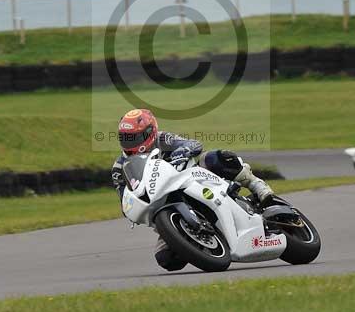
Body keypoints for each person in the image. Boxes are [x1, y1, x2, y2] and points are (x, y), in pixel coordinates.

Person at [111, 108, 275, 271]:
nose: (130, 142)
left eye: (135, 137)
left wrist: (183, 151)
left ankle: (256, 185)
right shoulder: (119, 167)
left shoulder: (163, 139)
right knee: (166, 259)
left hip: (191, 179)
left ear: (150, 132)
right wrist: (131, 206)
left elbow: (193, 144)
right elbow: (124, 197)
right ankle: (202, 243)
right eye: (125, 138)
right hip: (162, 204)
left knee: (217, 157)